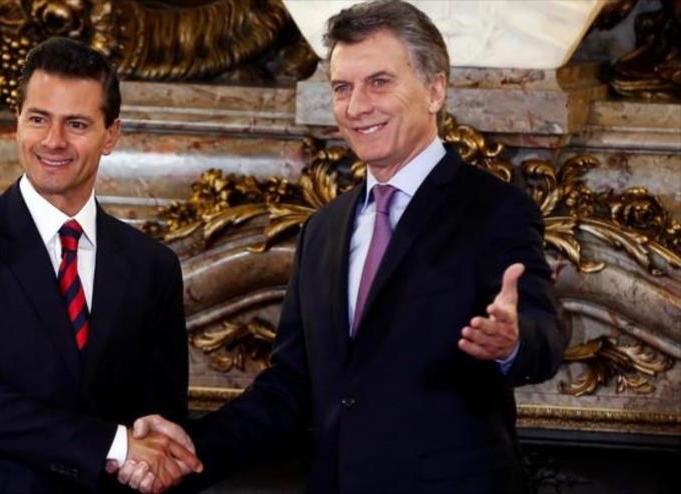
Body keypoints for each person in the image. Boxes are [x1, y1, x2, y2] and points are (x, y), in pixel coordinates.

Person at [118, 1, 567, 493]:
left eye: (379, 82)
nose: (356, 107)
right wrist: (190, 451)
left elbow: (544, 334)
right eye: (342, 88)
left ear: (435, 90)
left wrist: (512, 343)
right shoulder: (324, 229)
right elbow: (291, 385)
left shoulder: (494, 208)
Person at [0, 37, 201, 494]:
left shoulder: (152, 266)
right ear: (18, 122)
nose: (53, 140)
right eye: (38, 119)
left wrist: (151, 452)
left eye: (76, 124)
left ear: (111, 134)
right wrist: (116, 445)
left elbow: (157, 419)